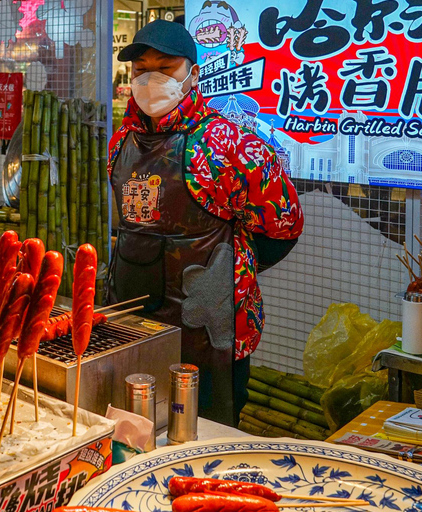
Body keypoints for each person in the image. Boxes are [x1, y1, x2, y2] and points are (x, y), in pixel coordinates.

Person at [106, 20, 304, 427]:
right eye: (141, 69)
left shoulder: (229, 144)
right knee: (133, 427)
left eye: (165, 68)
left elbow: (283, 225)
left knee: (209, 431)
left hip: (208, 322)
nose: (151, 79)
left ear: (193, 74)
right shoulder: (121, 141)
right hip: (132, 312)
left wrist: (228, 269)